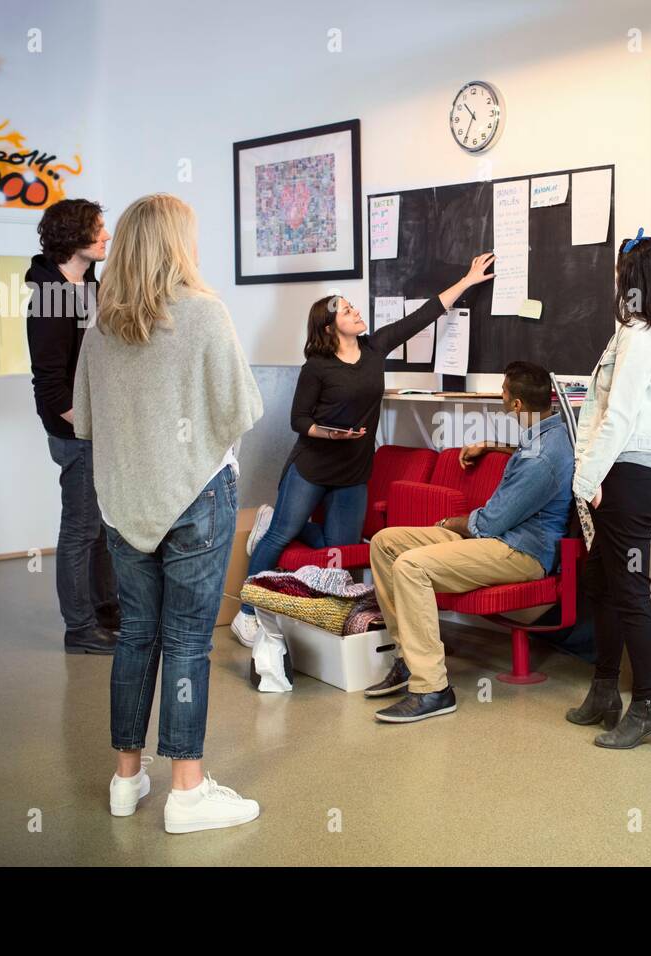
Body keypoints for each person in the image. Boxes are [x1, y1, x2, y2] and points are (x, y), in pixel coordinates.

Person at [74, 194, 264, 833]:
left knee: (136, 635)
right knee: (187, 638)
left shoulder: (101, 326)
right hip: (196, 498)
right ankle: (187, 790)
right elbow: (241, 410)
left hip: (124, 500)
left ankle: (126, 779)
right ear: (177, 244)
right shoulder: (206, 313)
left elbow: (87, 420)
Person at [231, 253, 498, 648]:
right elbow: (298, 420)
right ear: (329, 325)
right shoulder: (317, 367)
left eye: (354, 307)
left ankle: (339, 613)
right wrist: (329, 434)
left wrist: (468, 280)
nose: (355, 311)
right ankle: (246, 612)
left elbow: (423, 315)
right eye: (346, 310)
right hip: (313, 465)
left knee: (340, 549)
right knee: (280, 534)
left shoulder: (375, 349)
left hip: (354, 472)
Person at [364, 361, 573, 724]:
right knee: (385, 543)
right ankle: (407, 660)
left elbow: (489, 522)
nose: (502, 398)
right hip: (499, 538)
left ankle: (431, 688)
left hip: (520, 552)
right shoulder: (548, 435)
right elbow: (528, 463)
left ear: (518, 405)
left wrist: (448, 523)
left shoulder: (542, 457)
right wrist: (492, 445)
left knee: (411, 566)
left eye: (504, 393)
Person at [566, 230, 651, 750]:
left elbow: (617, 416)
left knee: (629, 591)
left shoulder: (642, 336)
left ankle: (648, 705)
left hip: (630, 473)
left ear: (636, 283)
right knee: (601, 580)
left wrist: (585, 480)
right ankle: (604, 690)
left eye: (624, 277)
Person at [25, 198, 120, 655]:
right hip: (76, 431)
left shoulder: (87, 288)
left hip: (96, 427)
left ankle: (106, 610)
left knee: (98, 526)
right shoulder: (49, 293)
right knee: (80, 529)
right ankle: (79, 628)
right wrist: (87, 426)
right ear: (73, 236)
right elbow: (50, 385)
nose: (107, 237)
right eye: (99, 229)